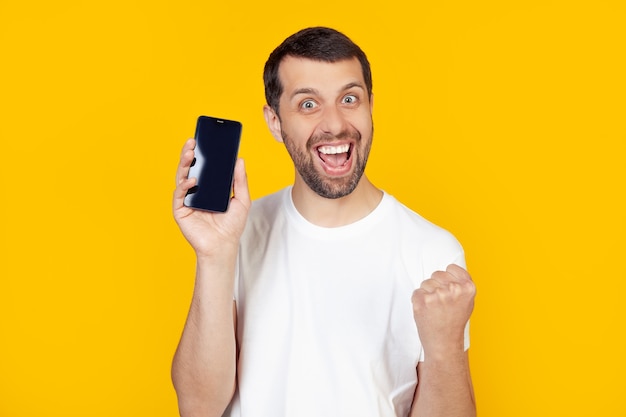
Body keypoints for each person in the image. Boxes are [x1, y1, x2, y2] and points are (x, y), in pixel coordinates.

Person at [171, 27, 476, 417]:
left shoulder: (432, 252)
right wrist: (213, 256)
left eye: (349, 99)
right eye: (308, 105)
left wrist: (446, 349)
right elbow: (197, 408)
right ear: (275, 122)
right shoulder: (237, 235)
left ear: (370, 106)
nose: (335, 124)